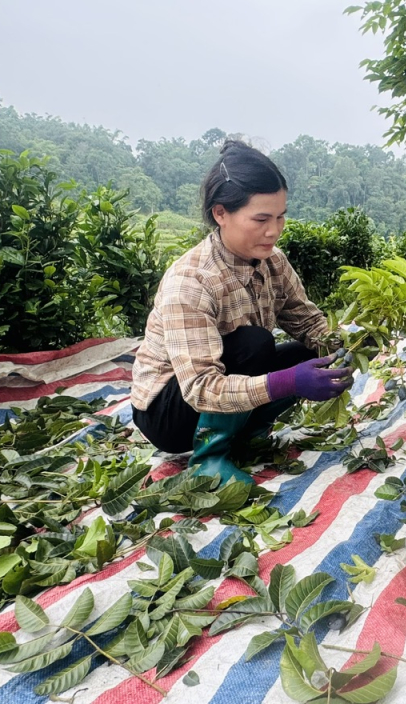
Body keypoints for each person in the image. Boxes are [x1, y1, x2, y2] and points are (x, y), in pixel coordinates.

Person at [130, 139, 353, 487]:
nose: (274, 230)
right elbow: (201, 388)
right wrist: (289, 381)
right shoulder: (191, 281)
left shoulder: (272, 261)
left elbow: (305, 320)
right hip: (169, 412)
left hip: (222, 387)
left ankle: (246, 432)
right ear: (221, 213)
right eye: (261, 219)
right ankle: (209, 458)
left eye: (280, 217)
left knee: (311, 353)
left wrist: (341, 348)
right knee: (254, 343)